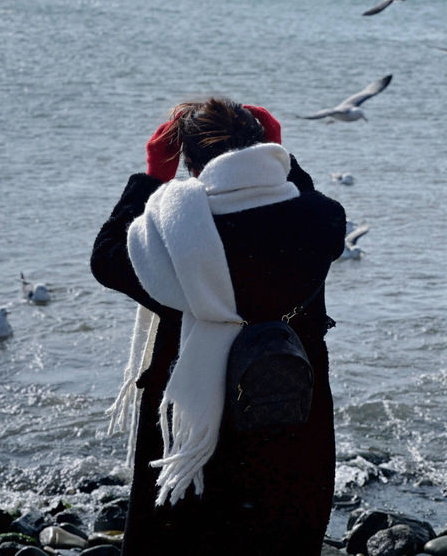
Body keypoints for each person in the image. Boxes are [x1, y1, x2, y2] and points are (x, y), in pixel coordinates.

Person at [90, 98, 346, 555]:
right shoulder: (319, 218)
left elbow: (108, 257)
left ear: (188, 163)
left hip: (190, 418)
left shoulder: (167, 236)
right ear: (262, 146)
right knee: (284, 529)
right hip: (288, 402)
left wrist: (153, 176)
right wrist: (279, 157)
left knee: (183, 534)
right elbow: (304, 199)